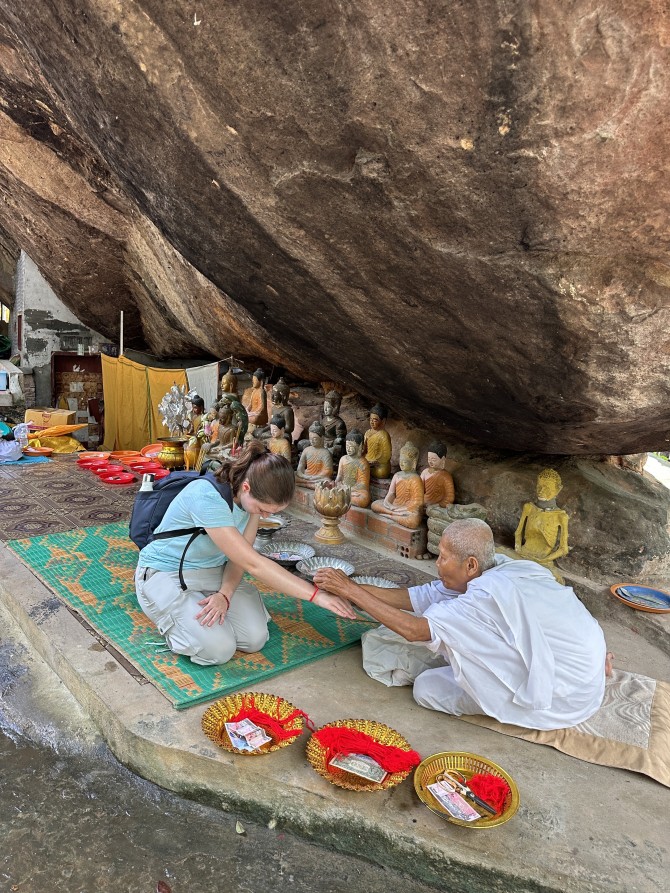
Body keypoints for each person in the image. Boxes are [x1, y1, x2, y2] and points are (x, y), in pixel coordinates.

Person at [314, 518, 608, 731]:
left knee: (426, 688)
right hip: (587, 669)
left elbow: (415, 631)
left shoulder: (481, 598)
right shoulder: (504, 566)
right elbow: (421, 597)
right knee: (427, 633)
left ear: (470, 565)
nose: (437, 564)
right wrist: (349, 587)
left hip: (562, 698)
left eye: (442, 557)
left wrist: (351, 592)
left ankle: (508, 702)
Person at [135, 441, 356, 666]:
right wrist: (316, 595)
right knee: (219, 650)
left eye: (273, 512)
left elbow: (239, 559)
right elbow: (254, 564)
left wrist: (225, 594)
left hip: (212, 572)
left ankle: (197, 610)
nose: (266, 515)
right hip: (166, 573)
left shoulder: (249, 503)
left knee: (254, 639)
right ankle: (172, 619)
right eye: (263, 510)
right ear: (247, 487)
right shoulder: (206, 498)